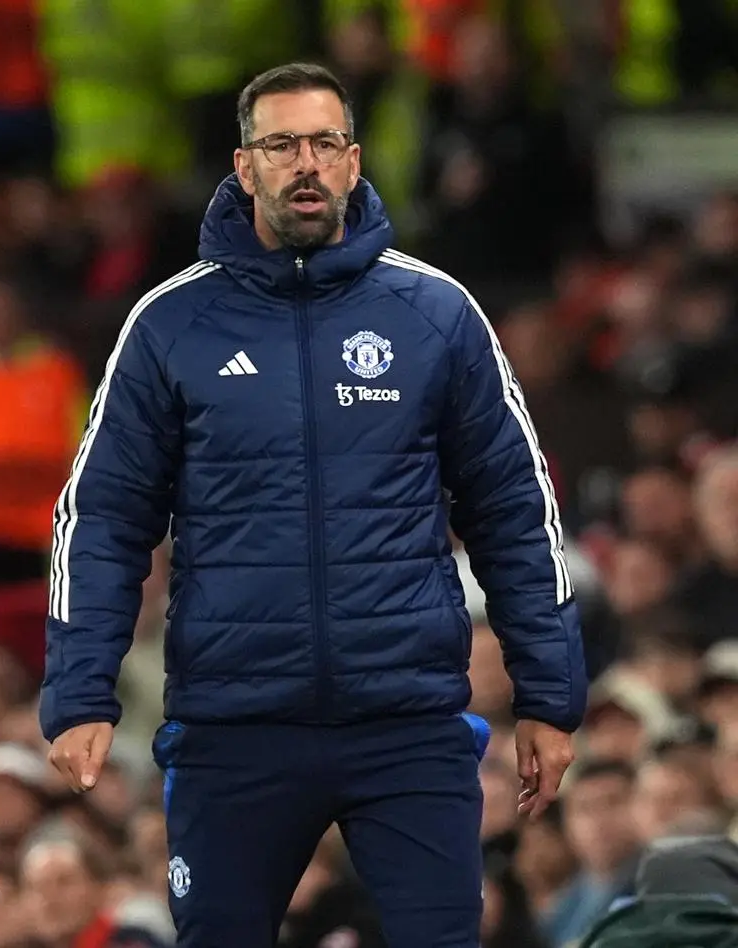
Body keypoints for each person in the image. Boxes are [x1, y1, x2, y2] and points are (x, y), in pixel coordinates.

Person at [40, 63, 587, 948]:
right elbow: (100, 519)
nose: (306, 163)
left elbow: (517, 509)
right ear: (243, 164)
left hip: (406, 720)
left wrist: (549, 696)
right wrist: (78, 691)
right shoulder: (169, 324)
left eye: (325, 144)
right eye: (282, 144)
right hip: (234, 726)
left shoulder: (436, 313)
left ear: (355, 160)